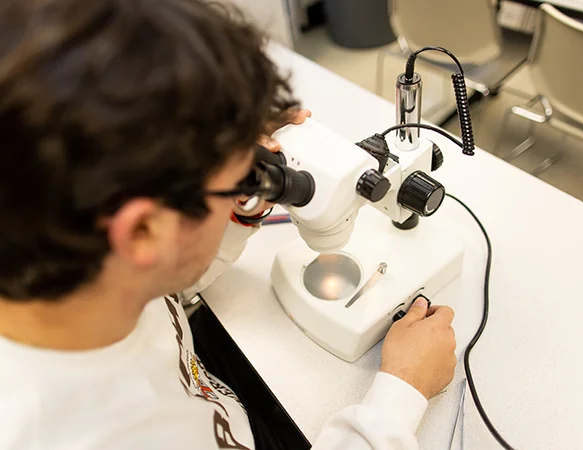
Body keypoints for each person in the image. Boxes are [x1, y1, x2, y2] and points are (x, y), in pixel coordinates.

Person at [0, 0, 457, 449]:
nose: (256, 183)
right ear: (144, 230)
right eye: (238, 177)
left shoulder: (72, 262)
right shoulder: (90, 433)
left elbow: (163, 293)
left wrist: (237, 211)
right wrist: (400, 395)